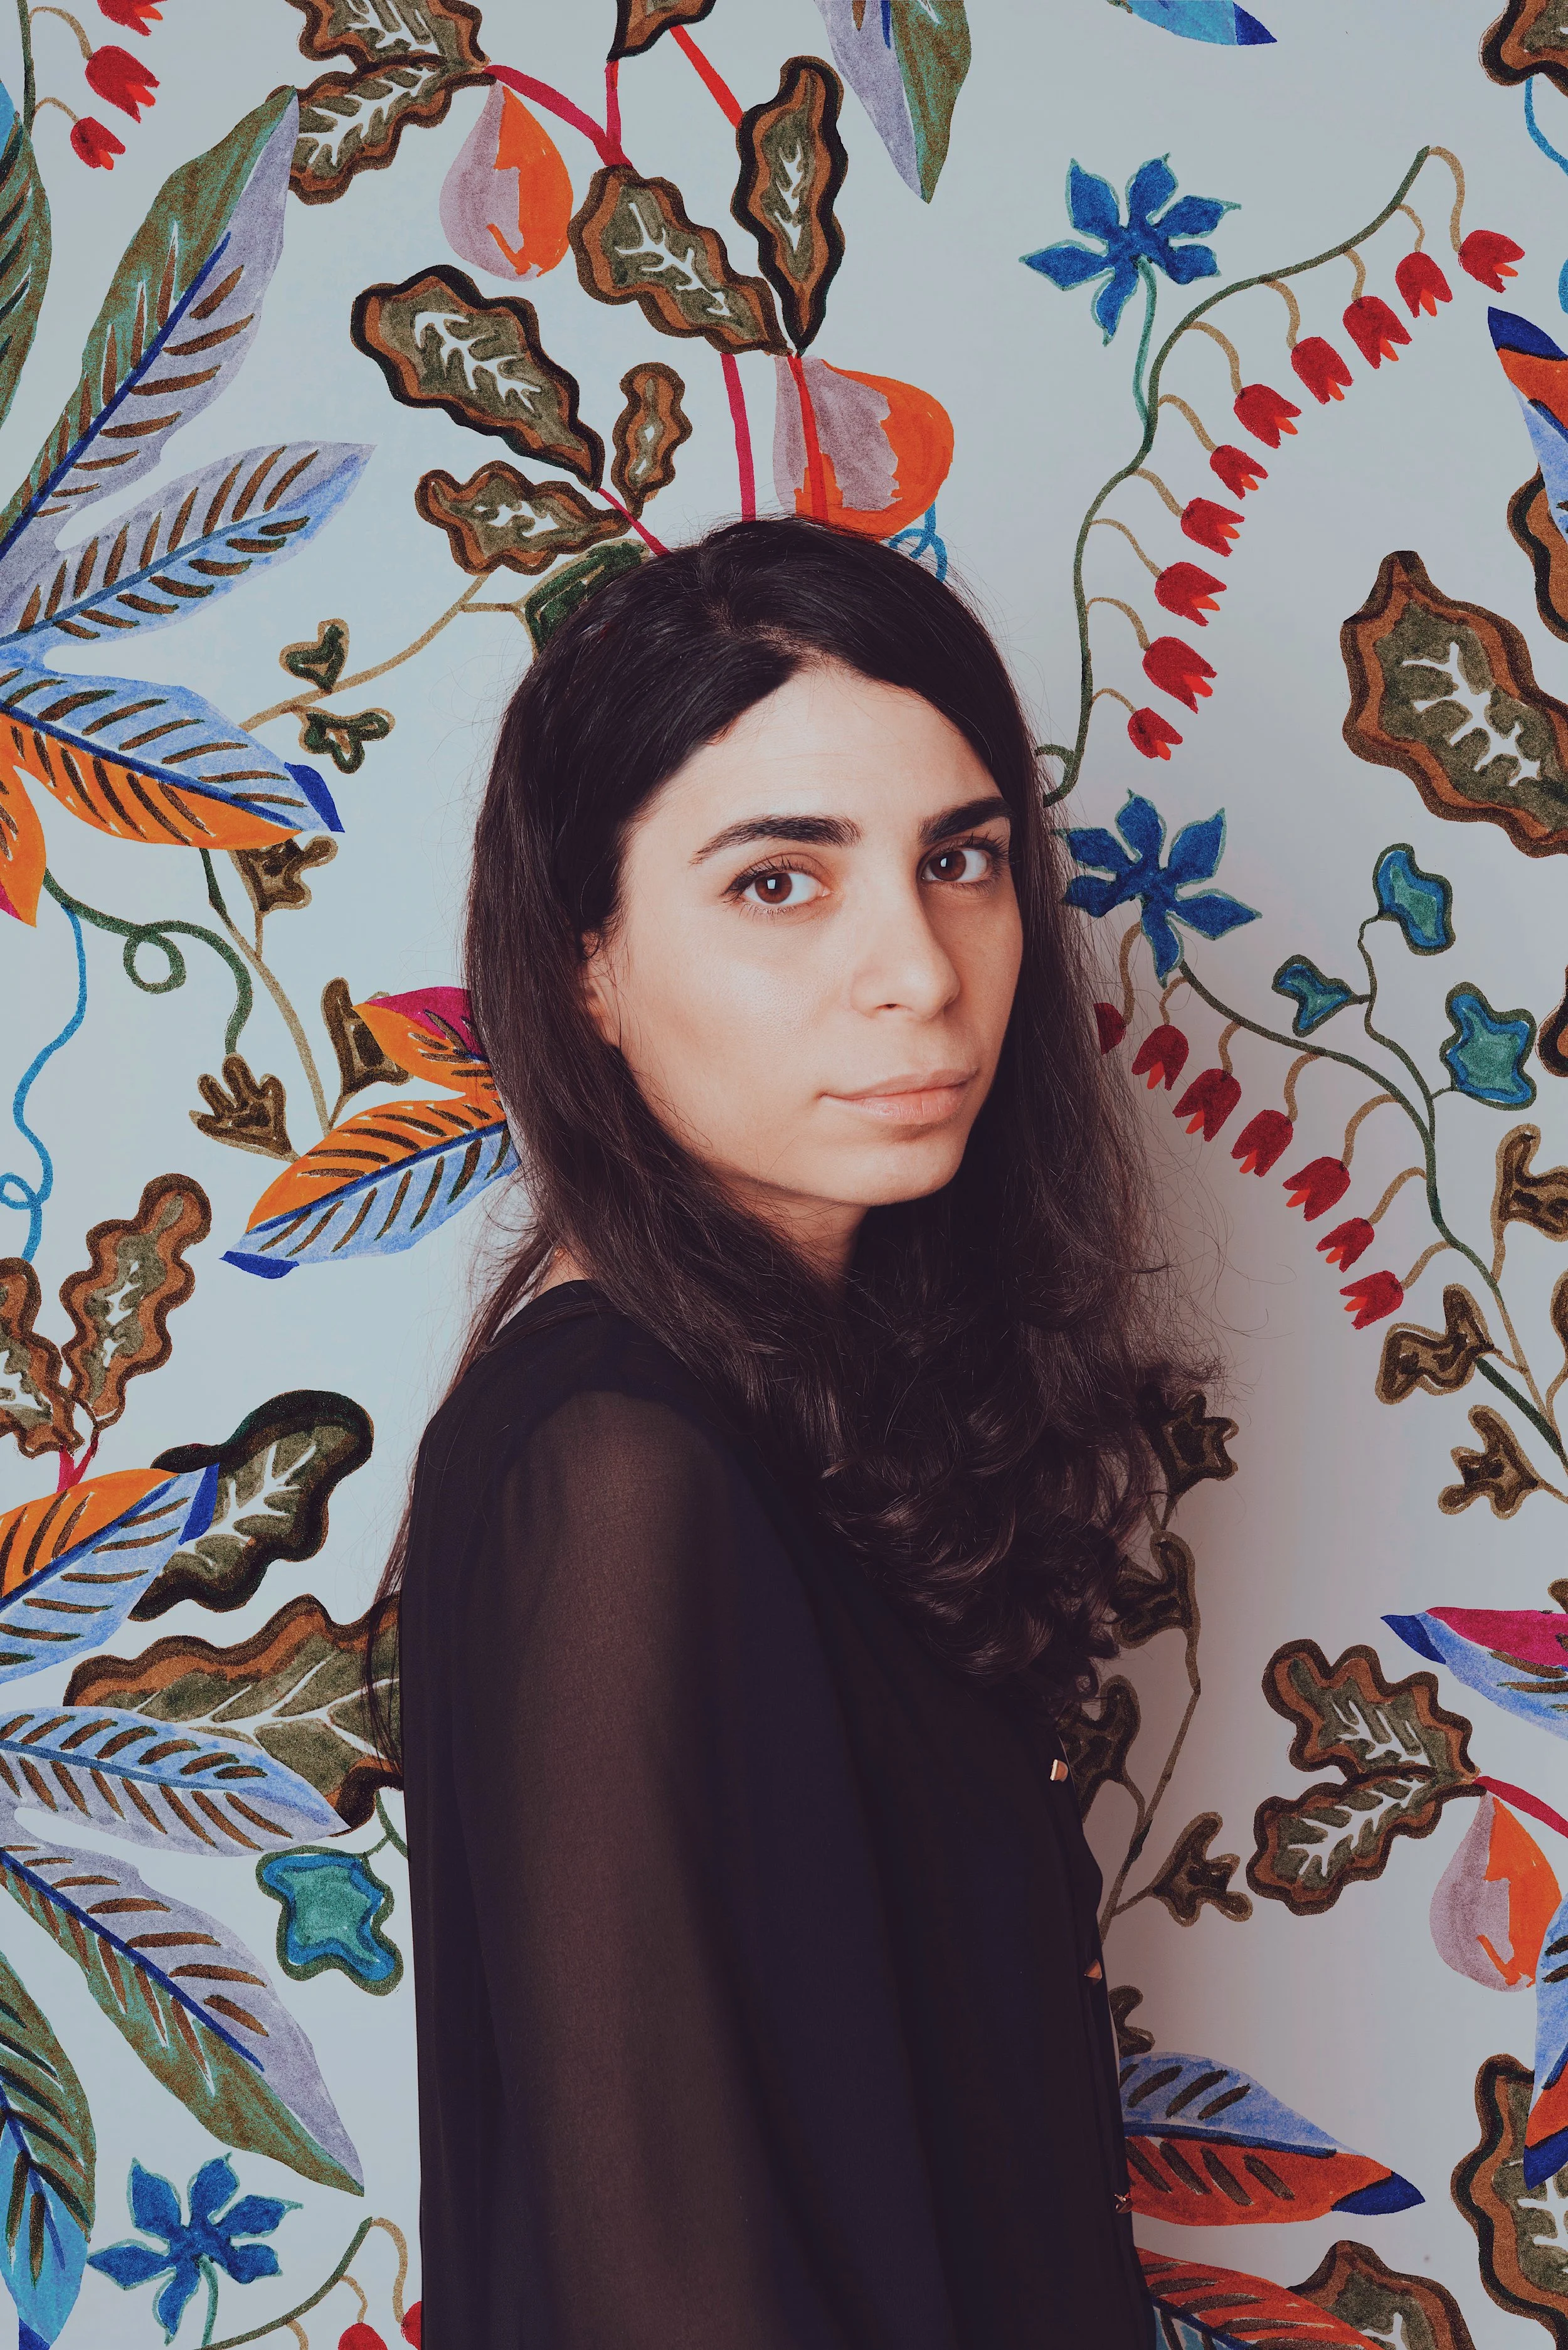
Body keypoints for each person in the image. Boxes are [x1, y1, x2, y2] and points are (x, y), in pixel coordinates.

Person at [383, 515, 1187, 2347]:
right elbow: (655, 2287)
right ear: (586, 959)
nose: (915, 968)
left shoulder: (782, 1432)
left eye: (959, 860)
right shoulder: (615, 1468)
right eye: (776, 880)